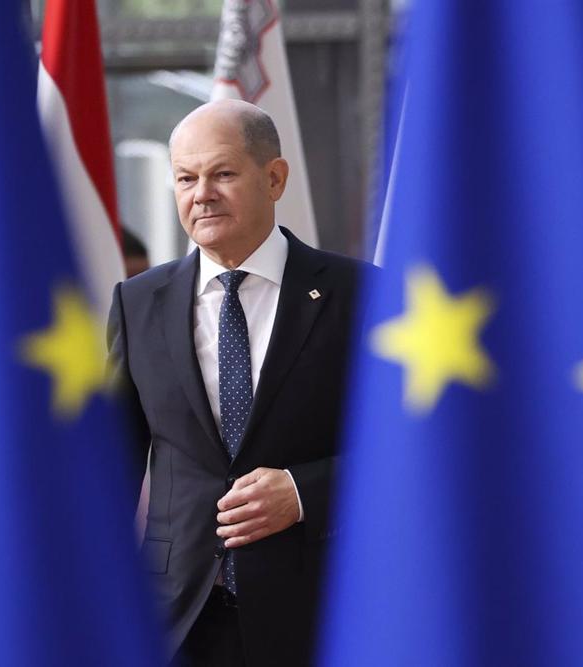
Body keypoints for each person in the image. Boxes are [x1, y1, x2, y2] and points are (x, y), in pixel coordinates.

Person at [108, 99, 369, 666]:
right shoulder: (136, 303)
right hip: (178, 620)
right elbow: (111, 466)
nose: (202, 193)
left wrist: (304, 492)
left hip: (322, 609)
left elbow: (410, 448)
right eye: (185, 178)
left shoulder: (361, 295)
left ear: (274, 178)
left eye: (222, 173)